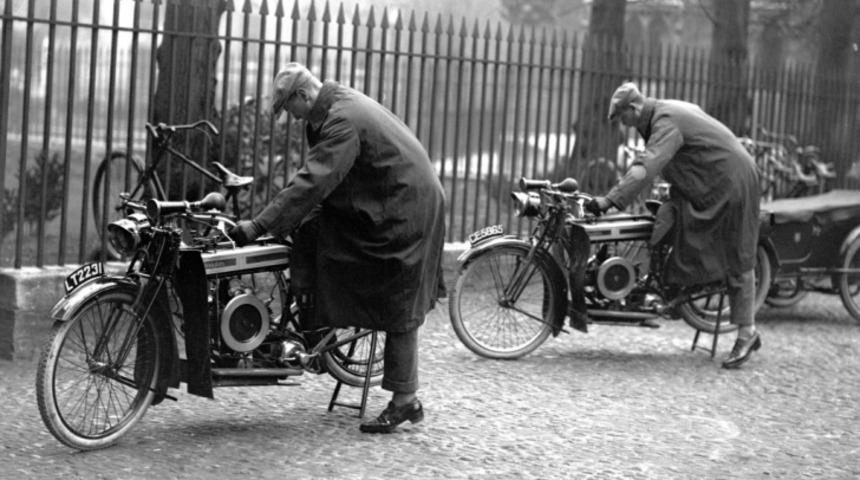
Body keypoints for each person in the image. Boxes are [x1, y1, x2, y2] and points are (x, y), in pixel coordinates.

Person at [228, 63, 446, 432]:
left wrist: (259, 224)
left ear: (303, 96)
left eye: (289, 109)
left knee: (398, 300)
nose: (292, 119)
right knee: (314, 232)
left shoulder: (341, 120)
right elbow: (329, 179)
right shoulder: (335, 106)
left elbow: (313, 181)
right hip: (386, 196)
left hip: (406, 207)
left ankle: (405, 401)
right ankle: (313, 328)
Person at [585, 82, 762, 369]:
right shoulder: (665, 112)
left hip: (731, 181)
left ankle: (747, 333)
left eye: (623, 117)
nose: (625, 125)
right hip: (709, 180)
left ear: (634, 108)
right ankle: (673, 286)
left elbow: (648, 166)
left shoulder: (665, 122)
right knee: (666, 216)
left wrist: (610, 201)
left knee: (737, 255)